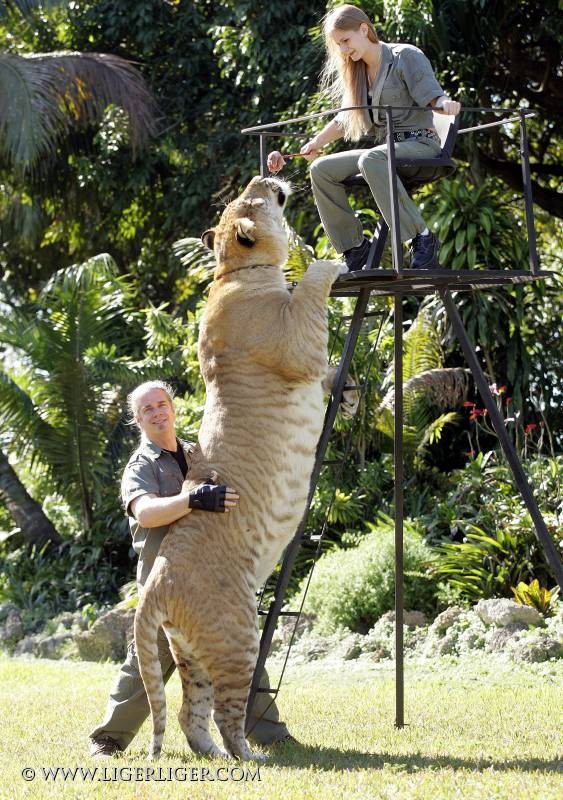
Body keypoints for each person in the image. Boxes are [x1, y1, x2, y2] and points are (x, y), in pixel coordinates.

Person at [89, 380, 292, 756]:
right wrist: (194, 499)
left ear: (173, 407)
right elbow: (146, 513)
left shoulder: (197, 451)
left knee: (237, 643)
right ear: (137, 419)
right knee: (148, 659)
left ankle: (271, 733)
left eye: (161, 404)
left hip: (212, 575)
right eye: (147, 409)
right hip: (165, 581)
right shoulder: (141, 465)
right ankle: (108, 739)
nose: (157, 412)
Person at [267, 3, 461, 270]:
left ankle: (421, 239)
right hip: (386, 151)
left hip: (421, 144)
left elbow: (431, 94)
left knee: (371, 158)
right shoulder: (357, 72)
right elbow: (346, 119)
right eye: (339, 45)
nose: (344, 50)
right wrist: (314, 143)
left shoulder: (405, 56)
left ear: (363, 28)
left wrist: (444, 102)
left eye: (346, 41)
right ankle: (355, 250)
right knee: (321, 169)